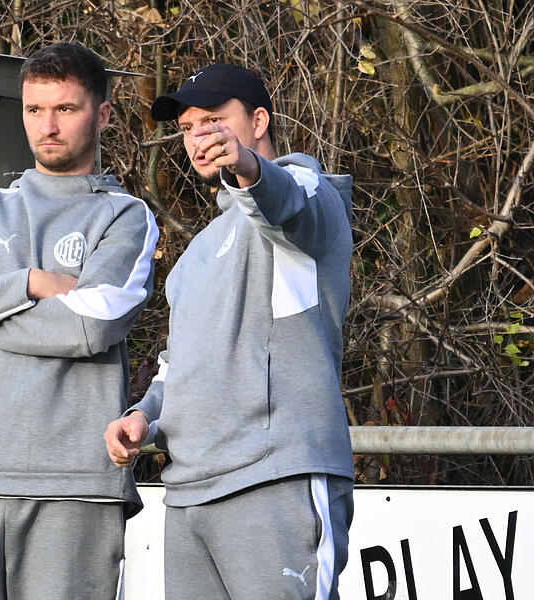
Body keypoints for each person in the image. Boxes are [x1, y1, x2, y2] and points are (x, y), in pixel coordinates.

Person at [0, 42, 158, 600]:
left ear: (103, 114)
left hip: (74, 484)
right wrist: (27, 285)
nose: (48, 126)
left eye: (66, 109)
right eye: (34, 109)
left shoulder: (125, 216)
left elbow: (88, 327)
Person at [105, 63, 354, 599]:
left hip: (275, 475)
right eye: (189, 126)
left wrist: (246, 165)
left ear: (258, 119)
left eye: (214, 120)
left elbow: (284, 200)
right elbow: (179, 366)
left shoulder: (310, 188)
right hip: (190, 492)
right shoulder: (196, 253)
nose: (200, 136)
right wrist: (142, 419)